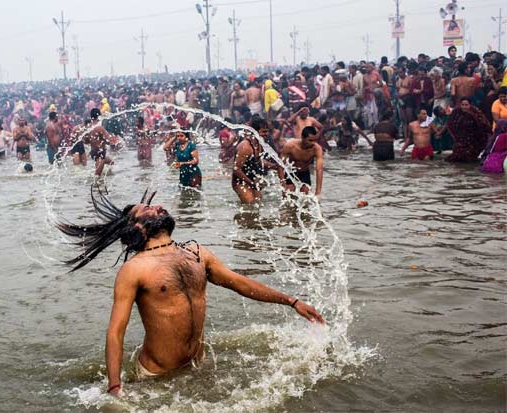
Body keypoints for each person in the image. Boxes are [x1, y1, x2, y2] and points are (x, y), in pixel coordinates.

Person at [55, 189, 324, 396]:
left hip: (198, 363)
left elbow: (239, 283)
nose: (158, 207)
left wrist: (292, 301)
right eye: (148, 209)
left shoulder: (197, 253)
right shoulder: (134, 269)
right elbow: (116, 332)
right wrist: (115, 388)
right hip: (156, 376)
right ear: (137, 226)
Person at [232, 118, 273, 204]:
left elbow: (258, 161)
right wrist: (252, 183)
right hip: (239, 181)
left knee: (258, 204)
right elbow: (236, 169)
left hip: (252, 180)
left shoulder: (259, 144)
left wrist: (274, 166)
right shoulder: (245, 147)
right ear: (254, 132)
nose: (266, 134)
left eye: (267, 131)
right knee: (250, 205)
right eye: (263, 132)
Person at [278, 126, 323, 195]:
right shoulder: (290, 146)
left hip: (305, 173)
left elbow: (319, 169)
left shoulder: (317, 149)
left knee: (306, 196)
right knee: (288, 194)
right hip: (291, 172)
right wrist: (283, 184)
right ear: (302, 137)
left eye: (315, 140)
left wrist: (318, 191)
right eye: (310, 140)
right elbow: (280, 166)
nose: (313, 143)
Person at [446, 97, 492, 163]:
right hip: (460, 139)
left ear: (470, 105)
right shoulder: (456, 112)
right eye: (462, 105)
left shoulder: (476, 112)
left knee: (469, 159)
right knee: (455, 159)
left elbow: (485, 126)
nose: (464, 107)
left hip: (474, 140)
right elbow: (450, 124)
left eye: (466, 105)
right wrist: (456, 137)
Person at [84, 108, 115, 176]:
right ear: (99, 116)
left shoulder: (88, 127)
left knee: (111, 162)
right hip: (100, 154)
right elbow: (109, 140)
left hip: (93, 152)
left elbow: (86, 141)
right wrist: (114, 142)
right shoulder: (99, 127)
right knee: (97, 176)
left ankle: (106, 174)